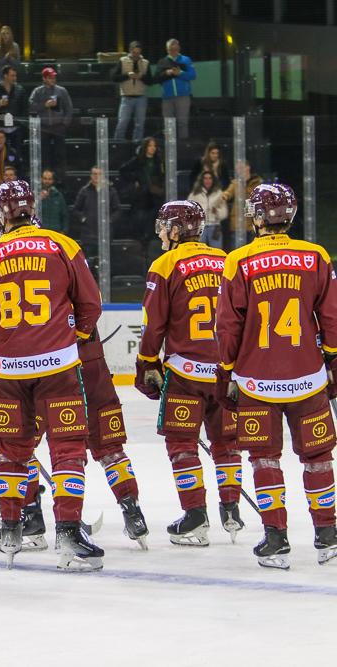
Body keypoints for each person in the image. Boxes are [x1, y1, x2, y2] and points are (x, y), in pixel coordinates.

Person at [0, 180, 104, 570]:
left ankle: (11, 529)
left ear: (0, 214)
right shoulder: (63, 245)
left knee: (11, 451)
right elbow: (91, 305)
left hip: (8, 372)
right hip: (58, 367)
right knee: (67, 449)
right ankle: (69, 531)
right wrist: (71, 338)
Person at [216, 183, 337, 568]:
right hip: (308, 378)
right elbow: (331, 317)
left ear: (256, 217)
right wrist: (333, 359)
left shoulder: (239, 260)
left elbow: (228, 326)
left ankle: (276, 538)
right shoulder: (315, 256)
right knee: (318, 456)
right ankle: (328, 535)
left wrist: (226, 371)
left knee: (264, 458)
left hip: (256, 380)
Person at [135, 200, 240, 546]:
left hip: (185, 374)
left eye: (164, 226)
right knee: (227, 443)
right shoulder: (226, 260)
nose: (161, 233)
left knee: (182, 444)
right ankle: (231, 509)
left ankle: (195, 515)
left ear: (177, 230)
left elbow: (154, 323)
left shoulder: (165, 264)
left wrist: (147, 362)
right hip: (225, 372)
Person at [28, 67, 73, 175]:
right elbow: (31, 107)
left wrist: (64, 124)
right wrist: (44, 105)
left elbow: (69, 108)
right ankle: (45, 176)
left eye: (54, 77)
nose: (53, 79)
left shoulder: (62, 91)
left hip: (58, 126)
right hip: (43, 127)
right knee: (44, 154)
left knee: (60, 154)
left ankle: (60, 177)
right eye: (50, 77)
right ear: (44, 78)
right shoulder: (37, 91)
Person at [117, 136, 165, 236]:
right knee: (141, 218)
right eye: (150, 146)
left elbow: (162, 176)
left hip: (155, 195)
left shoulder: (159, 161)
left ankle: (150, 237)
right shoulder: (138, 160)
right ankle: (141, 237)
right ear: (145, 147)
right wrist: (135, 179)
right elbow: (123, 170)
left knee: (154, 217)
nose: (153, 148)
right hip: (142, 194)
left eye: (154, 146)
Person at [112, 41, 152, 143]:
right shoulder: (122, 61)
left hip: (141, 98)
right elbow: (114, 77)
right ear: (130, 51)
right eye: (134, 52)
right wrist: (127, 75)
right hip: (126, 97)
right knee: (122, 122)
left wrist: (142, 77)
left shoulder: (146, 62)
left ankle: (137, 144)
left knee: (140, 124)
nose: (136, 55)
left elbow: (150, 81)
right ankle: (118, 144)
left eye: (138, 53)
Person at [155, 39, 195, 141]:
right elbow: (156, 78)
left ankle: (183, 144)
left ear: (179, 48)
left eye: (175, 49)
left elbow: (192, 75)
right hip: (167, 98)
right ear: (167, 49)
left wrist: (180, 73)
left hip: (183, 96)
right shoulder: (162, 62)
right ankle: (170, 145)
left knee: (183, 122)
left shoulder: (186, 60)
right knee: (168, 123)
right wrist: (166, 73)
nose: (173, 51)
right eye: (171, 49)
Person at [72, 166, 121, 245]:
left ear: (103, 176)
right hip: (88, 234)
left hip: (105, 234)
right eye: (95, 174)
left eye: (99, 174)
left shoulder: (110, 191)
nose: (97, 176)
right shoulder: (84, 191)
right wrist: (84, 219)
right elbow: (76, 209)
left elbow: (117, 210)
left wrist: (109, 220)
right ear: (91, 175)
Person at [189, 171, 228, 248]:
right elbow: (189, 211)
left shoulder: (219, 193)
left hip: (215, 227)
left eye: (210, 178)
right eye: (205, 178)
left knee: (217, 252)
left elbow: (225, 213)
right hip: (200, 228)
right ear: (202, 180)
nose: (208, 180)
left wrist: (217, 212)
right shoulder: (195, 194)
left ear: (213, 180)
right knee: (199, 251)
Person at [37, 169, 68, 234]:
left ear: (53, 180)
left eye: (49, 179)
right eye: (45, 178)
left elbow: (64, 215)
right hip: (40, 232)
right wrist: (38, 199)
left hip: (55, 232)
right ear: (41, 179)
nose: (47, 181)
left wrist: (64, 231)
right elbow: (30, 213)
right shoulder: (36, 195)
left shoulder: (58, 195)